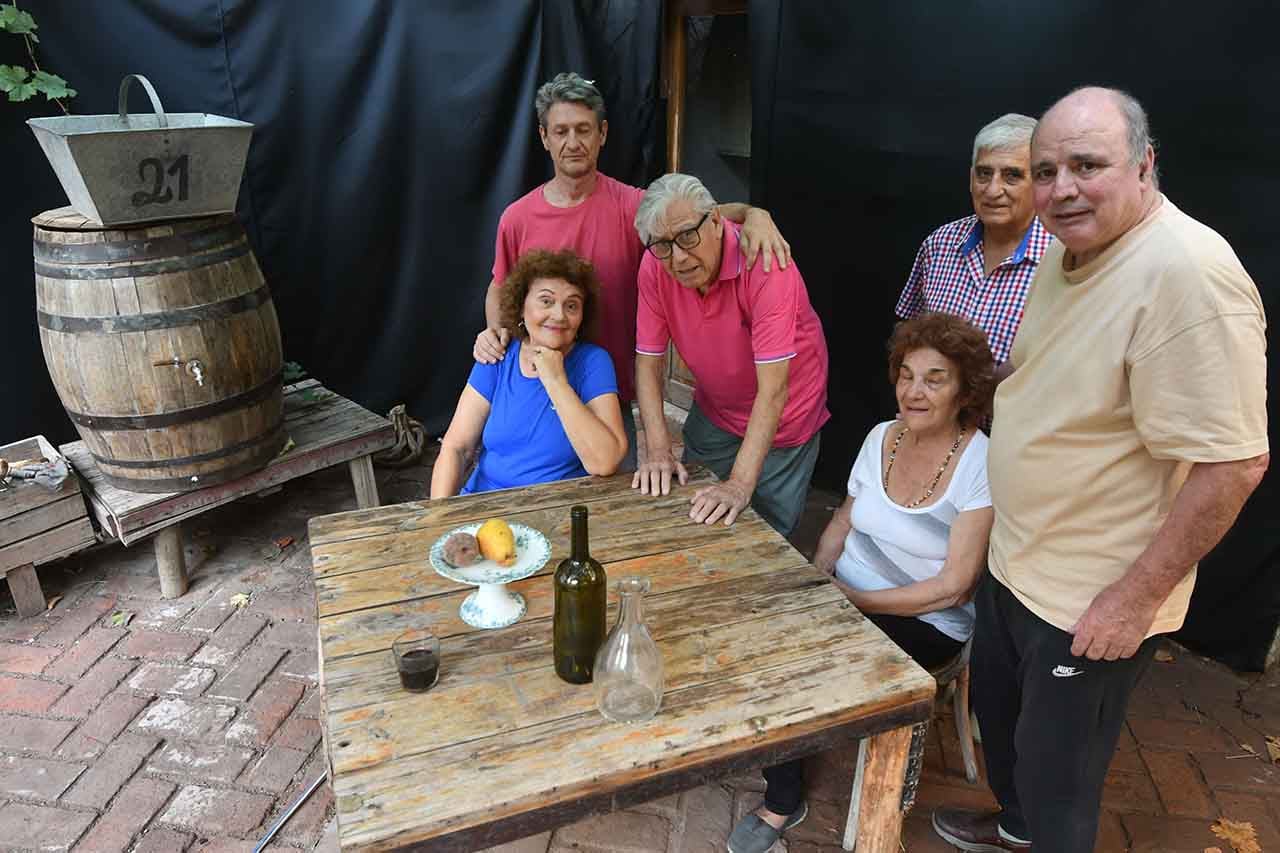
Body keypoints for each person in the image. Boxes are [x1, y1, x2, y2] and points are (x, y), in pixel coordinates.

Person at [932, 87, 1269, 853]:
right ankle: (1015, 827)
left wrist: (1132, 600)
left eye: (1088, 164)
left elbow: (1236, 464)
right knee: (1012, 742)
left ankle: (1039, 831)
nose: (1061, 188)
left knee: (1062, 779)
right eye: (1045, 170)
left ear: (1146, 163)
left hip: (1088, 600)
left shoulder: (1189, 277)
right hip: (1021, 564)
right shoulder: (1068, 248)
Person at [728, 312, 995, 853]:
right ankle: (785, 787)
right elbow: (845, 519)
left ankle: (793, 807)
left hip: (926, 619)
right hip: (847, 595)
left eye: (934, 379)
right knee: (761, 633)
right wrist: (819, 574)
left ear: (965, 389)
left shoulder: (980, 460)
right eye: (906, 375)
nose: (914, 391)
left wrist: (856, 602)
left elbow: (956, 587)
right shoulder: (880, 437)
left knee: (810, 657)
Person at [473, 73, 792, 470]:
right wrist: (496, 334)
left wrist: (753, 214)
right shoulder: (517, 218)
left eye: (583, 130)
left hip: (604, 394)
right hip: (535, 389)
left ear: (602, 133)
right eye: (561, 131)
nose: (573, 143)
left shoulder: (632, 207)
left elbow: (698, 219)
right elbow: (499, 287)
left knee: (610, 511)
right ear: (544, 137)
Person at [630, 173, 829, 538]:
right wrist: (658, 449)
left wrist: (738, 484)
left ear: (718, 222)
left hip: (785, 417)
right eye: (662, 245)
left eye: (688, 236)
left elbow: (774, 391)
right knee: (691, 508)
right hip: (717, 409)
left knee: (766, 534)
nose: (679, 257)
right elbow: (648, 363)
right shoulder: (655, 267)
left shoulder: (765, 263)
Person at [431, 250, 627, 497]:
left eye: (572, 305)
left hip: (553, 507)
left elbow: (605, 462)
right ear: (521, 307)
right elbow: (456, 448)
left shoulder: (592, 362)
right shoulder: (499, 355)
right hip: (485, 502)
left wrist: (556, 380)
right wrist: (438, 518)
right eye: (546, 301)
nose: (559, 315)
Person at [897, 114, 1051, 367]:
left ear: (1040, 181)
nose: (992, 190)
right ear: (970, 178)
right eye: (984, 173)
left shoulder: (1065, 259)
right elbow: (910, 334)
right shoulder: (940, 244)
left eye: (1012, 176)